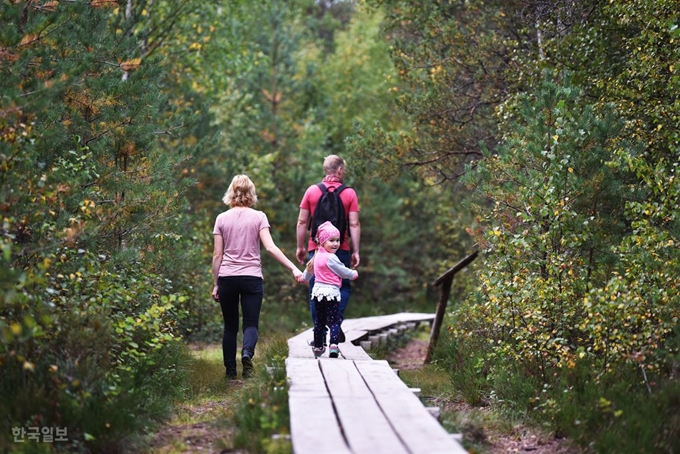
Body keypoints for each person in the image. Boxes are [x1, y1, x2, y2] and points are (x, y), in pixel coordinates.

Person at [212, 175, 304, 379]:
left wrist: (216, 284)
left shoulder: (221, 218)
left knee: (230, 326)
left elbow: (217, 255)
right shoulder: (259, 216)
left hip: (227, 276)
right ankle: (247, 353)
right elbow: (270, 247)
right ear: (251, 193)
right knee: (251, 323)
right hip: (252, 277)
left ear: (231, 192)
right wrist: (293, 268)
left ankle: (230, 372)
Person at [296, 155, 360, 344]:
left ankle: (320, 329)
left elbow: (302, 221)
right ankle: (335, 321)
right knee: (343, 285)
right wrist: (356, 251)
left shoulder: (312, 191)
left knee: (315, 287)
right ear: (339, 170)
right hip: (341, 247)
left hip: (316, 248)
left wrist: (300, 246)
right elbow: (354, 224)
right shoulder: (349, 193)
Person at [301, 221, 358, 358]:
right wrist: (353, 274)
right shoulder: (331, 258)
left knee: (319, 322)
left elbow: (307, 274)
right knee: (334, 320)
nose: (336, 244)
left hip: (317, 294)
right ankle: (333, 345)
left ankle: (319, 346)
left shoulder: (315, 257)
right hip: (331, 294)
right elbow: (343, 272)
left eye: (338, 240)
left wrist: (302, 278)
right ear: (322, 242)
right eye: (331, 240)